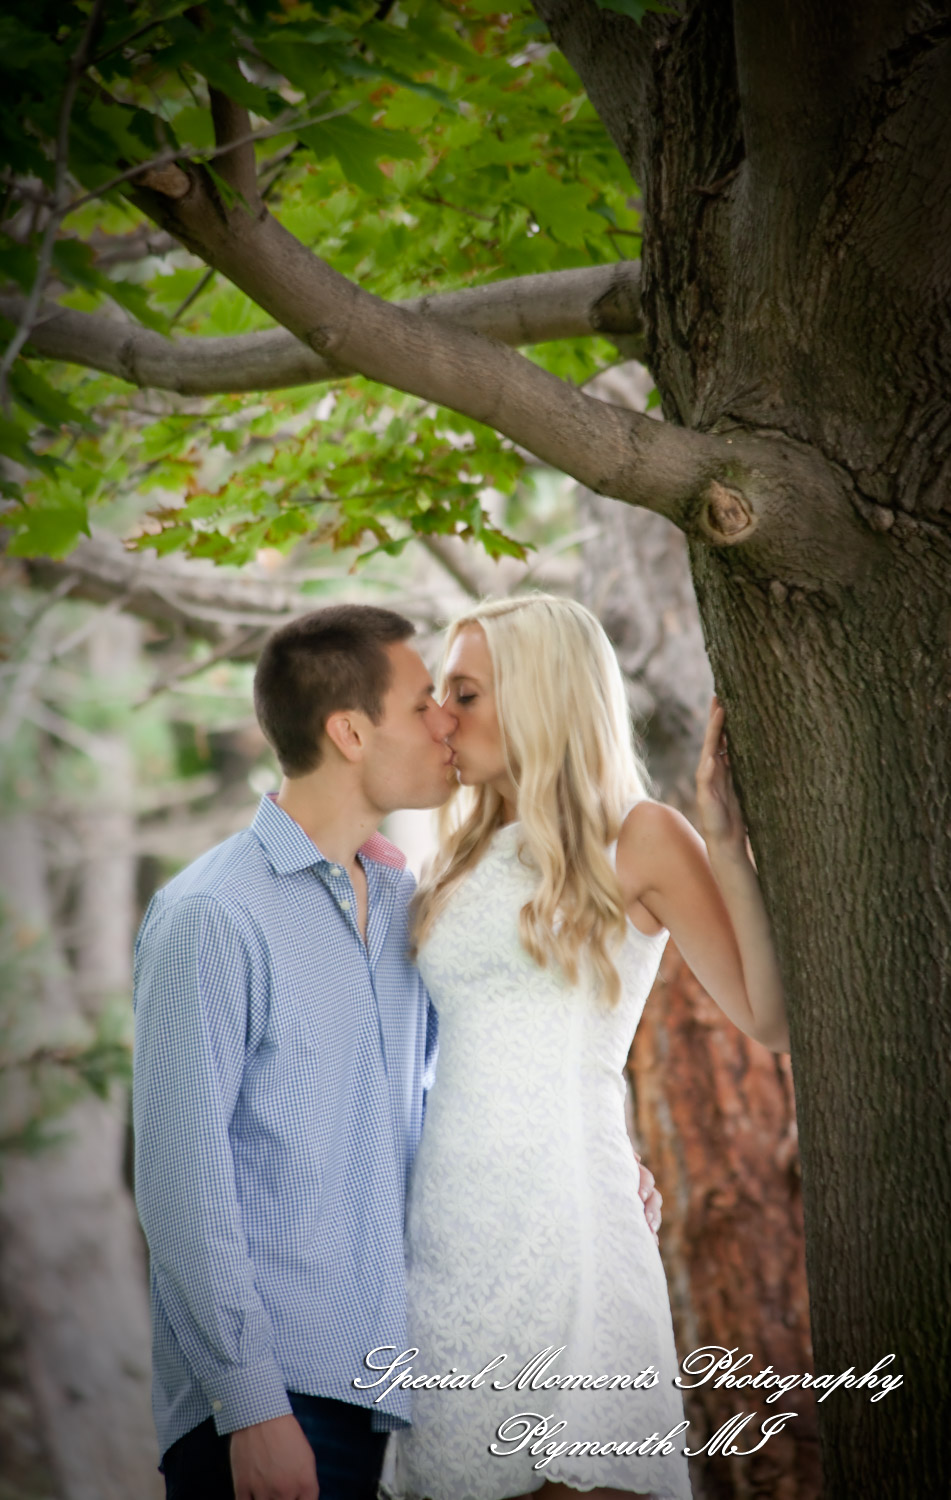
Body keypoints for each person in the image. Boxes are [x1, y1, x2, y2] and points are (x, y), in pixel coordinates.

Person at [132, 599, 668, 1500]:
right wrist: (251, 1405)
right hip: (269, 1400)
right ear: (349, 731)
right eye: (426, 701)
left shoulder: (400, 908)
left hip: (388, 1387)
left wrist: (593, 1155)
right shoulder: (212, 915)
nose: (445, 723)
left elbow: (450, 1085)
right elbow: (180, 1184)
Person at [383, 595, 788, 1500]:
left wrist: (724, 842)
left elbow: (769, 1019)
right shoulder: (447, 859)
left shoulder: (637, 836)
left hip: (568, 1221)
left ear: (540, 699)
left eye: (466, 693)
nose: (442, 715)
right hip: (447, 1237)